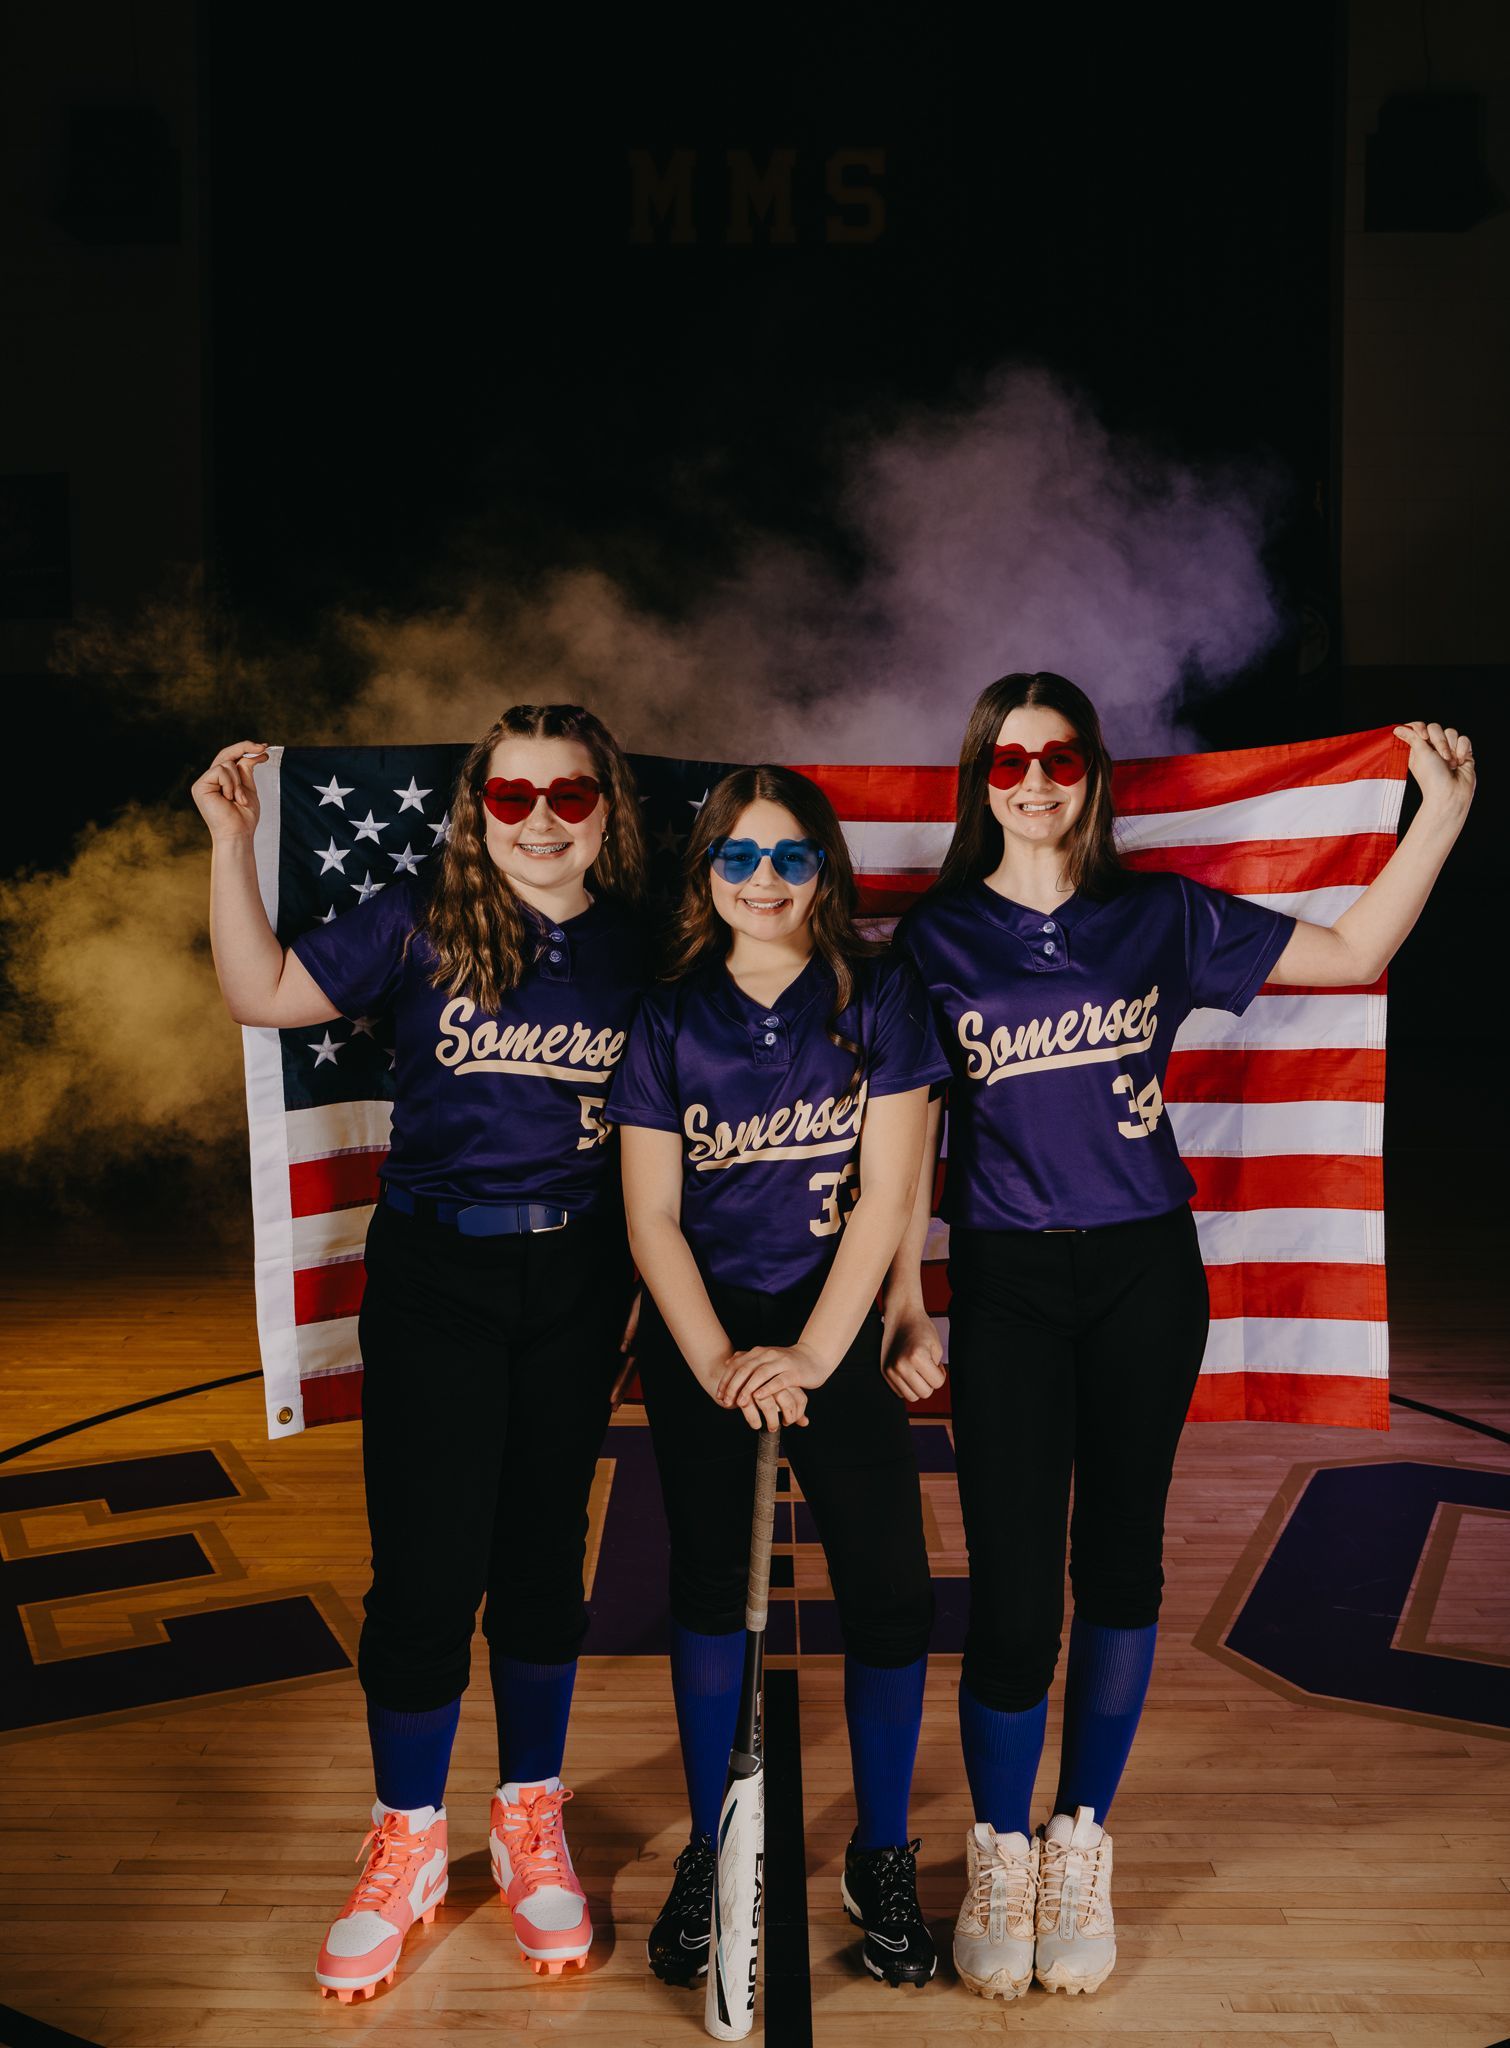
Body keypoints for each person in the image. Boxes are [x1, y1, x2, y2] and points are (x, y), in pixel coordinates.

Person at [882, 675, 1476, 2001]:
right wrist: (901, 1295)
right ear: (978, 779)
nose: (1034, 779)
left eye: (1059, 756)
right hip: (1006, 1283)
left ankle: (1080, 1838)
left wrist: (1433, 820)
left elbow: (1348, 955)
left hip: (1148, 1273)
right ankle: (997, 1849)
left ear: (1093, 771)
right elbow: (907, 1122)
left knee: (1123, 1562)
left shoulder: (1156, 914)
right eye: (1007, 760)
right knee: (1017, 1586)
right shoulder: (937, 938)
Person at [192, 704, 648, 2001]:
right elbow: (260, 991)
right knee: (427, 1571)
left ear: (606, 808)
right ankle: (406, 1838)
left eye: (569, 795)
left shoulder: (637, 946)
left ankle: (529, 1815)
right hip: (435, 1273)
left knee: (540, 1556)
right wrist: (230, 843)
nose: (543, 819)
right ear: (476, 809)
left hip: (575, 1269)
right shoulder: (414, 915)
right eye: (514, 798)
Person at [607, 765, 953, 1990]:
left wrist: (818, 1348)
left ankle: (880, 1851)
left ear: (826, 869)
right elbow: (651, 1215)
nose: (764, 879)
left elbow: (886, 1193)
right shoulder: (665, 1015)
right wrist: (713, 1359)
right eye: (738, 858)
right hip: (709, 1333)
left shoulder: (882, 995)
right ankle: (709, 1850)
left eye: (790, 856)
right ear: (705, 874)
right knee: (708, 1590)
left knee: (891, 1593)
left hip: (834, 1323)